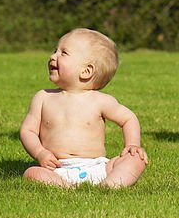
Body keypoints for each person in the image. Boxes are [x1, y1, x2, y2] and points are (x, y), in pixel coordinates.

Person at [19, 27, 148, 188]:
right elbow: (27, 131)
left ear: (86, 71)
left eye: (63, 53)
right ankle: (66, 186)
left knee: (136, 159)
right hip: (57, 168)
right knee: (32, 173)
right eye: (55, 51)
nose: (53, 56)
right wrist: (40, 153)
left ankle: (109, 185)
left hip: (98, 167)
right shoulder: (43, 97)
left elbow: (128, 118)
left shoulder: (100, 101)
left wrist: (132, 145)